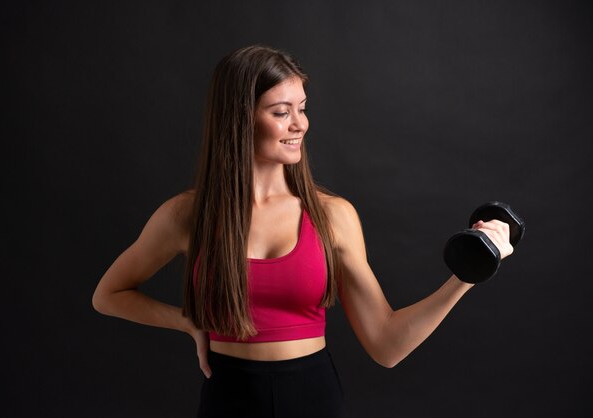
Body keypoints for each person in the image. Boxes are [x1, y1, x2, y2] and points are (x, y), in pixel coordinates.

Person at [92, 45, 513, 418]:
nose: (300, 124)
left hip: (311, 396)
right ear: (239, 119)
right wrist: (189, 322)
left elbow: (387, 346)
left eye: (302, 107)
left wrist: (466, 275)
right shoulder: (187, 215)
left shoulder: (333, 216)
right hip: (228, 397)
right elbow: (108, 295)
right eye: (281, 112)